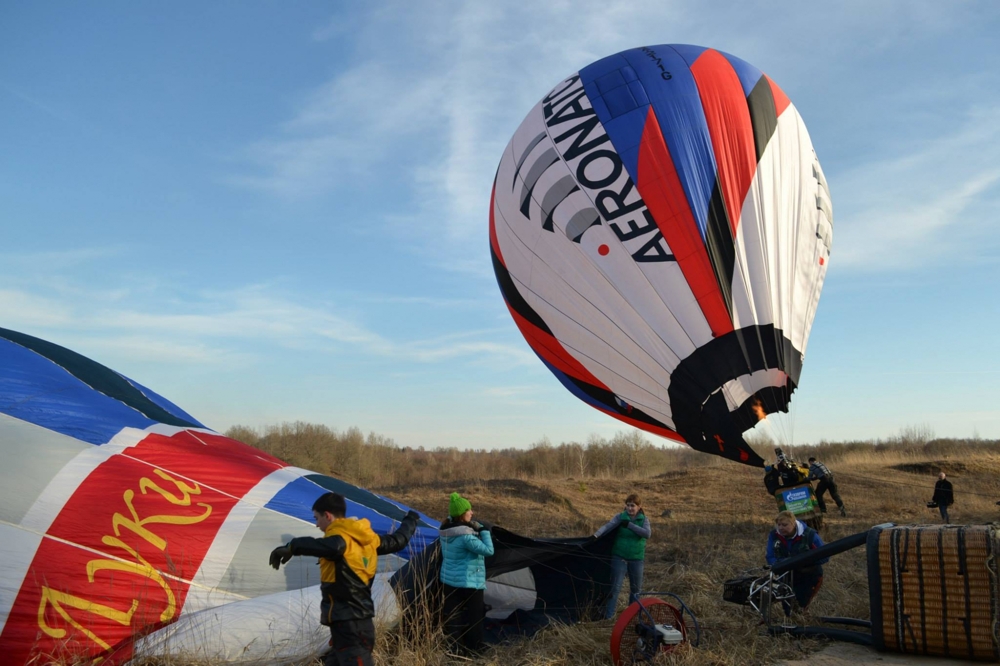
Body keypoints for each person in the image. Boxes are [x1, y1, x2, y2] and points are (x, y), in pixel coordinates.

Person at [269, 492, 419, 666]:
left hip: (350, 625)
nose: (317, 524)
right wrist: (411, 521)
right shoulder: (370, 540)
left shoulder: (340, 542)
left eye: (317, 518)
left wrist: (291, 547)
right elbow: (398, 540)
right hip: (351, 624)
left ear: (328, 515)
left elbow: (324, 546)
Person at [439, 492, 494, 654]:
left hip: (449, 581)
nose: (472, 513)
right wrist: (484, 531)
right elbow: (488, 550)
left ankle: (454, 649)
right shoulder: (466, 537)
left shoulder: (445, 532)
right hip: (469, 582)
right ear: (462, 515)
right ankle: (475, 649)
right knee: (474, 616)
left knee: (453, 616)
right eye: (469, 510)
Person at [594, 493, 650, 619]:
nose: (630, 508)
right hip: (620, 557)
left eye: (633, 506)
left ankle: (631, 617)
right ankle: (608, 617)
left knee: (636, 590)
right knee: (615, 589)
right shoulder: (620, 517)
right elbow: (608, 526)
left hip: (636, 559)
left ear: (639, 507)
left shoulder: (644, 520)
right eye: (628, 505)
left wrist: (629, 525)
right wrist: (596, 535)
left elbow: (647, 534)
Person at [765, 510, 828, 614]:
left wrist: (803, 562)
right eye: (779, 524)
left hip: (808, 576)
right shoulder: (774, 535)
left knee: (800, 607)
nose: (781, 528)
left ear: (793, 523)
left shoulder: (810, 535)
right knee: (788, 610)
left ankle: (804, 625)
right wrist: (782, 563)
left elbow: (825, 556)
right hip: (786, 577)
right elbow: (770, 557)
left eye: (784, 525)